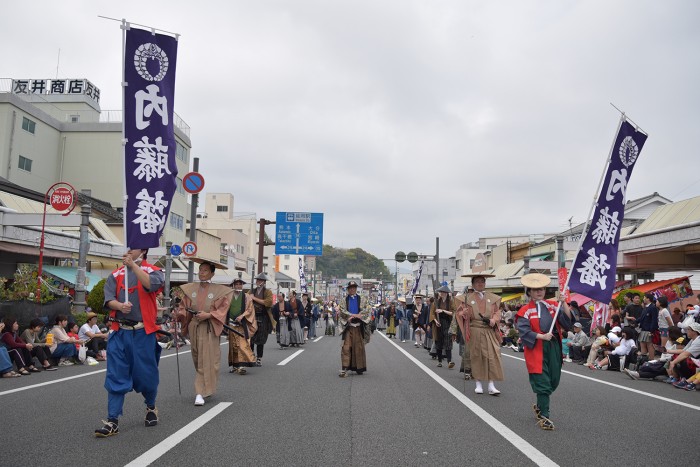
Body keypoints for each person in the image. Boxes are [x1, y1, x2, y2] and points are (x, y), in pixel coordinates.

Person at [95, 249, 164, 438]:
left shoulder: (153, 270)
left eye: (132, 247)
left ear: (142, 250)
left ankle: (151, 407)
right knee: (115, 376)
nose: (127, 250)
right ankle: (112, 420)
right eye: (126, 246)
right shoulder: (115, 275)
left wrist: (133, 265)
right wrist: (119, 306)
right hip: (119, 333)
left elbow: (151, 285)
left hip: (143, 333)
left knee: (146, 376)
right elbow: (108, 300)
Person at [515, 273, 572, 431]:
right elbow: (524, 332)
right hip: (537, 347)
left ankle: (540, 406)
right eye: (535, 290)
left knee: (554, 379)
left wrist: (564, 302)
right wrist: (541, 336)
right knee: (542, 381)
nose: (539, 292)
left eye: (541, 289)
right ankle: (545, 416)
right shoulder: (525, 311)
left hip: (553, 346)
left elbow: (567, 323)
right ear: (529, 292)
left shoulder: (553, 306)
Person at [177, 258, 232, 406]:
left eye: (205, 270)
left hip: (209, 327)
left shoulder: (220, 291)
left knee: (205, 359)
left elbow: (223, 310)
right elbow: (183, 307)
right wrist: (179, 314)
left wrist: (208, 315)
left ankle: (199, 392)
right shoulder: (191, 289)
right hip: (194, 327)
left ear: (212, 274)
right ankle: (205, 387)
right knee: (197, 357)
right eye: (200, 270)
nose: (202, 273)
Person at [454, 274, 504, 394]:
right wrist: (463, 313)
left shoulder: (492, 298)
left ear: (485, 283)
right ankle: (478, 383)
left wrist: (494, 320)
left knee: (492, 355)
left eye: (482, 281)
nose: (480, 284)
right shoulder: (466, 298)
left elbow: (498, 312)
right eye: (477, 282)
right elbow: (459, 313)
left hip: (489, 329)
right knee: (477, 356)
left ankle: (491, 384)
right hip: (475, 329)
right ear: (473, 284)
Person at [338, 281, 372, 377]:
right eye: (350, 287)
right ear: (348, 289)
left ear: (356, 288)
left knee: (359, 347)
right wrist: (349, 316)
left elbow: (368, 308)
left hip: (358, 325)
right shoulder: (344, 300)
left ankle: (359, 367)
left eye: (354, 287)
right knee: (346, 347)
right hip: (348, 326)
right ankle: (345, 368)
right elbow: (341, 311)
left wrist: (360, 315)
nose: (352, 289)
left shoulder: (363, 299)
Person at [227, 278, 257, 375]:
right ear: (233, 285)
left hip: (242, 324)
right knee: (233, 345)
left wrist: (242, 316)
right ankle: (235, 365)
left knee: (242, 344)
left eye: (240, 284)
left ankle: (242, 365)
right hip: (231, 323)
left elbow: (250, 309)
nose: (239, 286)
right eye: (237, 284)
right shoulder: (228, 296)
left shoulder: (246, 296)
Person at [248, 273, 273, 367]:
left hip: (263, 316)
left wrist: (254, 298)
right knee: (251, 337)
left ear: (263, 282)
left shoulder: (267, 292)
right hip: (252, 317)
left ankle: (259, 357)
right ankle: (251, 355)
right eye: (257, 280)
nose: (257, 281)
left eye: (259, 280)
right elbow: (246, 299)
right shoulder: (252, 290)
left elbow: (268, 302)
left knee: (261, 338)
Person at [665, 322, 700, 387]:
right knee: (675, 357)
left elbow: (686, 354)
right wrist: (668, 351)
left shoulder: (698, 341)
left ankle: (685, 379)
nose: (686, 331)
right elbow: (684, 350)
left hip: (697, 364)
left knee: (684, 360)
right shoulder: (693, 340)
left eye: (688, 329)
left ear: (695, 331)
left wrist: (673, 362)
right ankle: (679, 378)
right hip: (696, 362)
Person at [430, 285, 456, 369]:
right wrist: (435, 321)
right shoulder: (436, 302)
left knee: (448, 343)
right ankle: (439, 361)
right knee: (439, 342)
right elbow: (432, 313)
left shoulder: (451, 301)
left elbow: (454, 313)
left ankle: (449, 361)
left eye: (444, 292)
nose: (442, 294)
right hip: (438, 323)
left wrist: (443, 311)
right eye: (441, 292)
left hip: (448, 323)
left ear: (447, 293)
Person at [636, 293, 658, 360]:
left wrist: (651, 330)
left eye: (644, 297)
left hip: (649, 330)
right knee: (642, 344)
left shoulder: (653, 307)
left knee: (649, 345)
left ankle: (651, 360)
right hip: (643, 329)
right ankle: (643, 359)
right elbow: (641, 317)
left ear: (648, 299)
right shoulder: (646, 307)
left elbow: (654, 320)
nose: (643, 299)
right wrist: (635, 321)